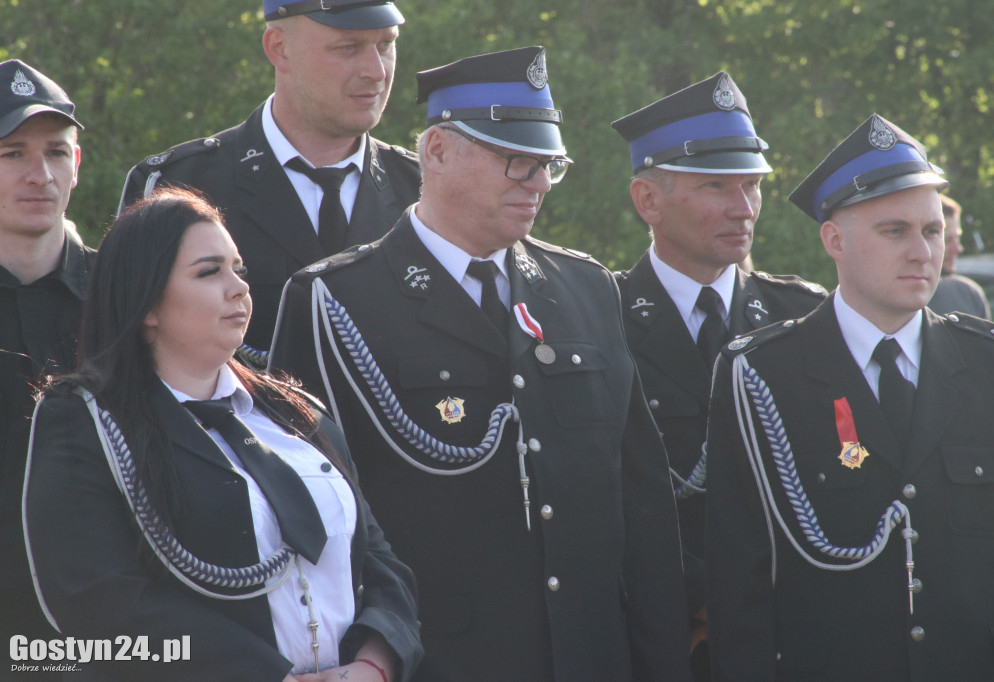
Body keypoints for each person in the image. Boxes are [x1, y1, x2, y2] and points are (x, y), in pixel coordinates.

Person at [269, 46, 691, 681]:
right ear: (436, 151)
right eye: (516, 163)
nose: (538, 184)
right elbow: (306, 517)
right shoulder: (335, 300)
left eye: (548, 165)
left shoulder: (585, 289)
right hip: (436, 659)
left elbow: (644, 510)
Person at [23, 187, 422, 681]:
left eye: (240, 270)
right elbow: (96, 598)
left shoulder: (298, 414)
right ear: (146, 302)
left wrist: (374, 665)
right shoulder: (86, 420)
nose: (238, 288)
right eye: (210, 272)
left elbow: (380, 564)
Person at [705, 113, 994, 680]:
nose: (922, 252)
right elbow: (741, 584)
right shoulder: (762, 374)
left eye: (931, 231)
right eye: (894, 231)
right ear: (835, 240)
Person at [610, 72, 826, 678]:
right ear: (647, 200)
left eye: (752, 186)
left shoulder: (804, 314)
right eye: (715, 187)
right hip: (665, 639)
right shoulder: (600, 320)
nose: (744, 208)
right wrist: (711, 596)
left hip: (793, 629)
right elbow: (601, 495)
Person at [119, 0, 419, 356]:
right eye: (348, 47)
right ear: (279, 48)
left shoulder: (426, 192)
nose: (377, 71)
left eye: (386, 45)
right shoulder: (177, 184)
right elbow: (126, 358)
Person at [0, 59, 91, 672]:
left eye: (56, 152)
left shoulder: (136, 300)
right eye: (11, 154)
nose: (40, 175)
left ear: (77, 166)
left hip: (113, 632)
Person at [928, 194, 991, 318]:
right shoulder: (891, 301)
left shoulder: (968, 295)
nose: (958, 248)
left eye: (958, 238)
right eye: (946, 240)